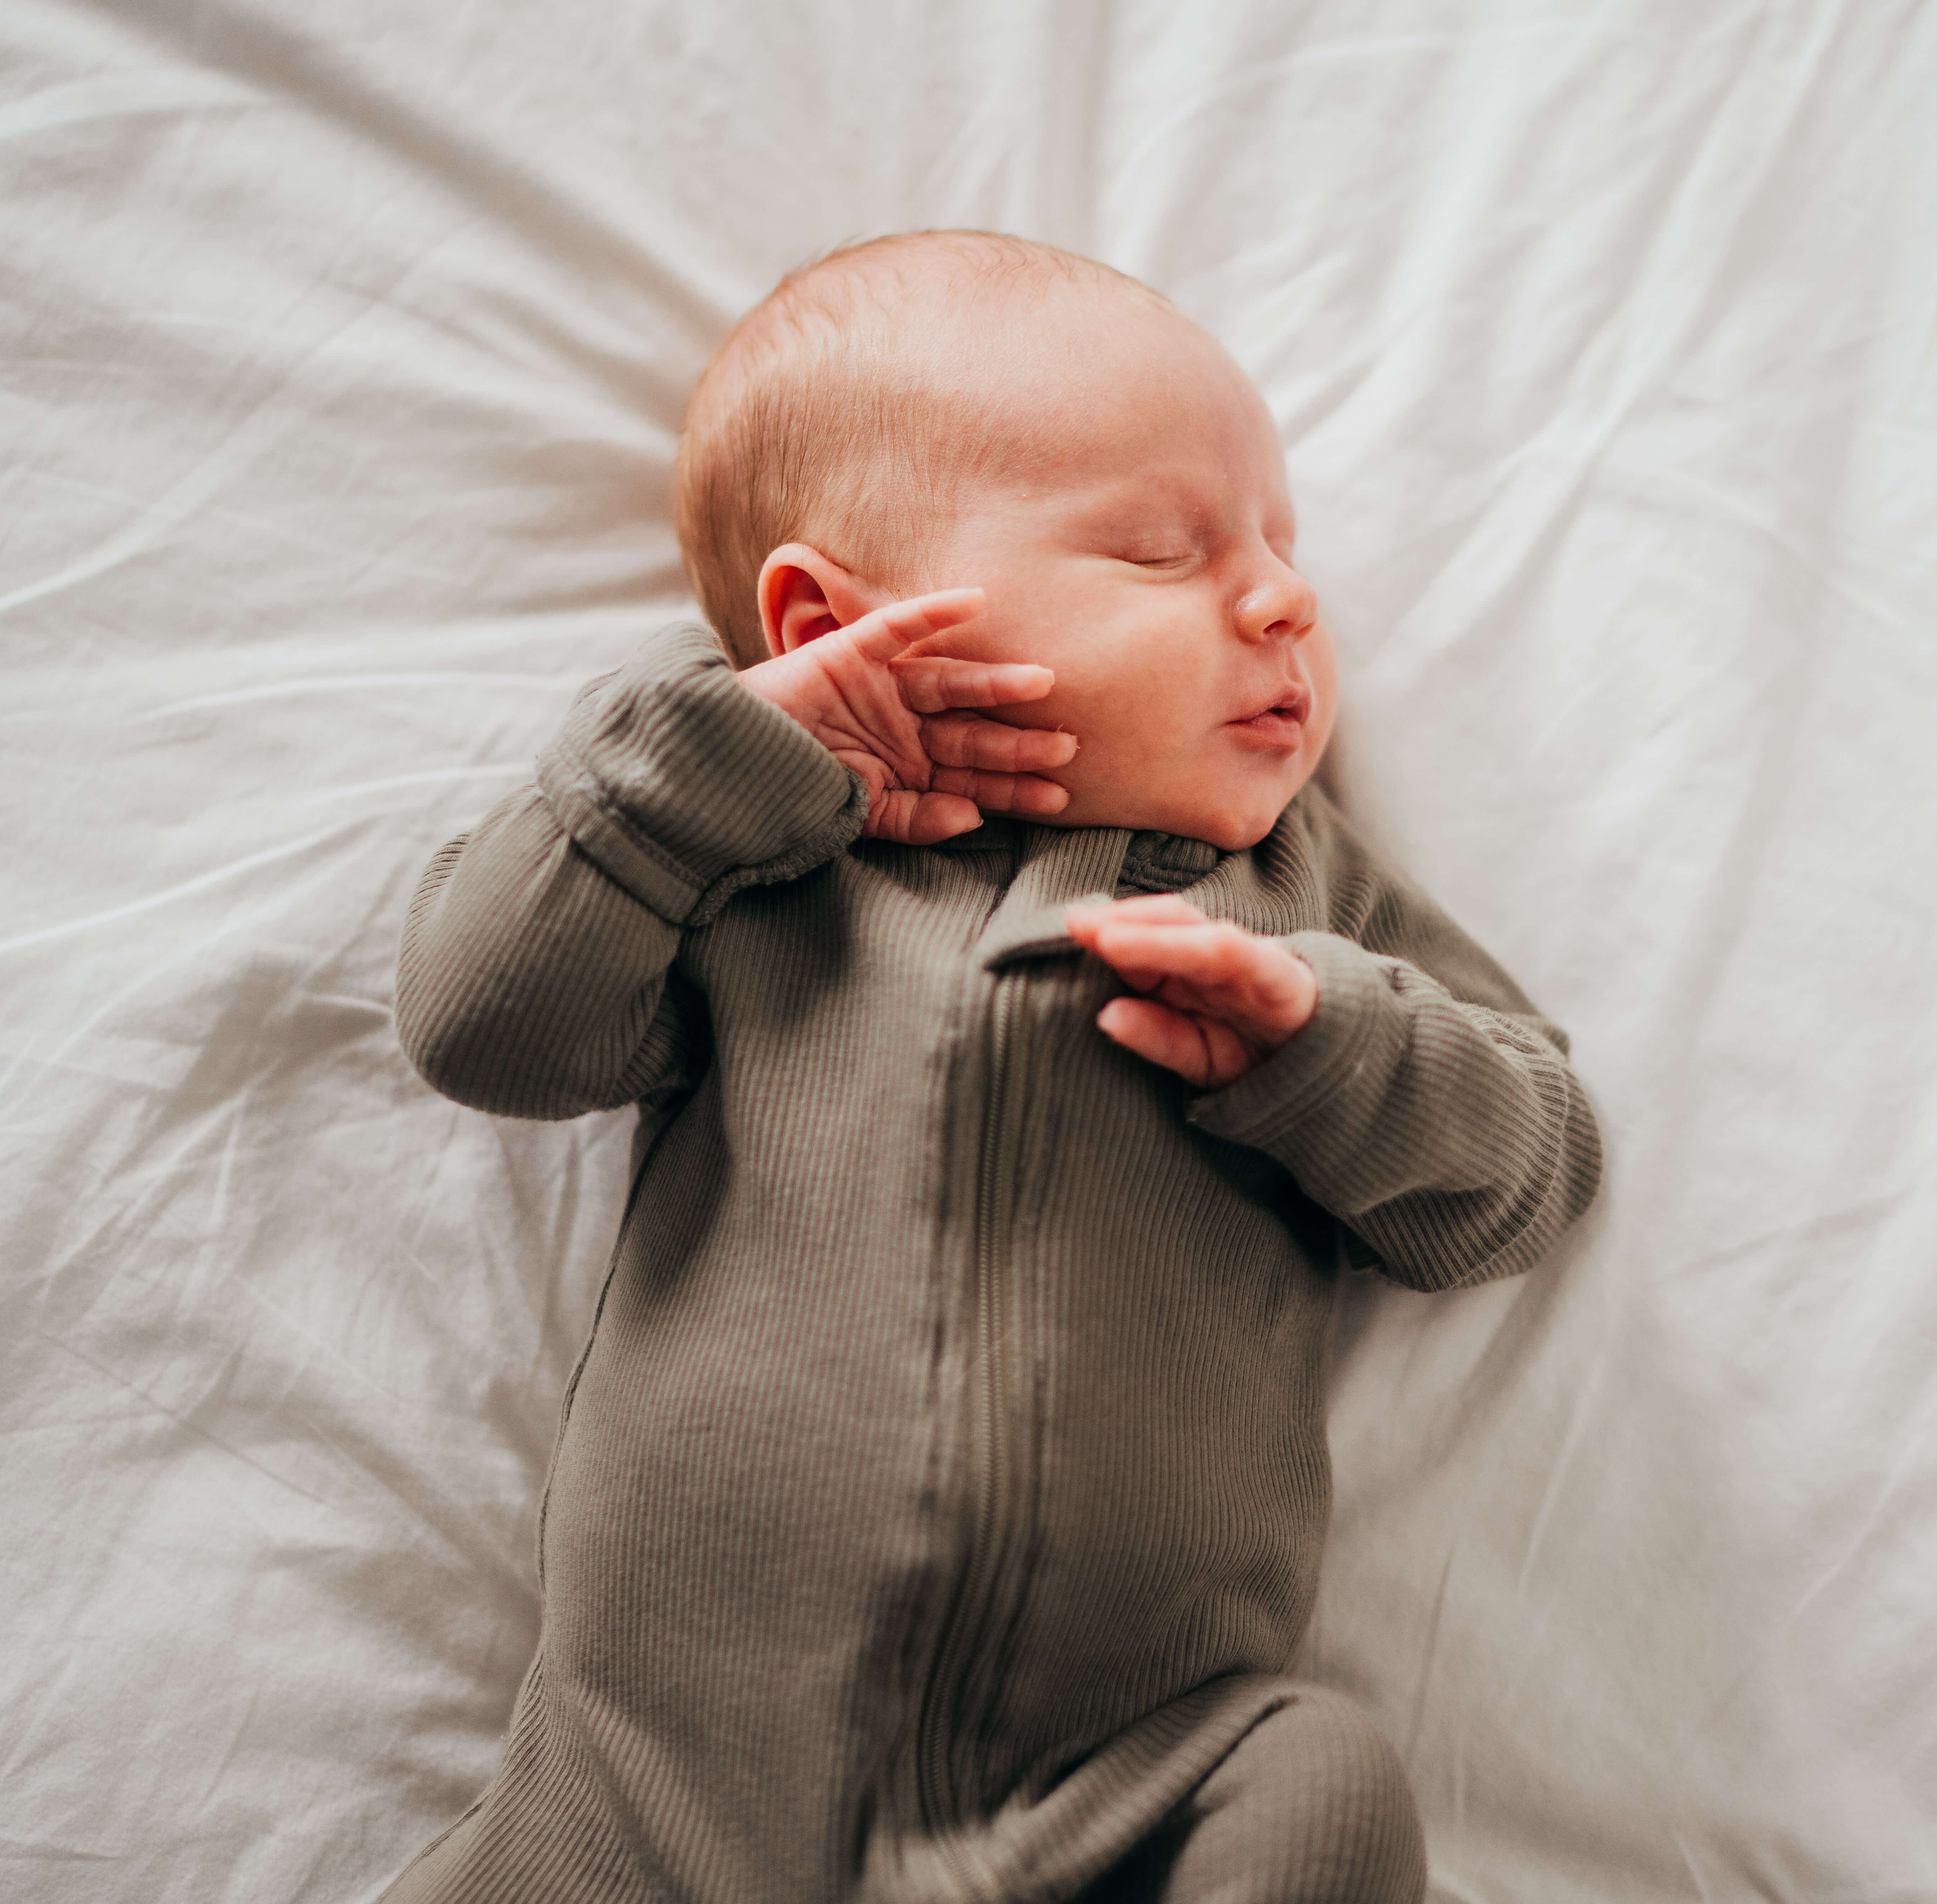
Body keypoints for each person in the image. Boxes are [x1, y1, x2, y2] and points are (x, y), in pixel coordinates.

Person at [384, 230, 1601, 1904]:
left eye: (1281, 544)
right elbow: (486, 1027)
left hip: (1114, 1791)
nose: (1284, 598)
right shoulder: (753, 861)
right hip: (648, 1797)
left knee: (1319, 1783)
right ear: (828, 622)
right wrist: (711, 764)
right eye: (1167, 550)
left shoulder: (1304, 900)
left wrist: (1332, 1046)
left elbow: (1524, 1170)